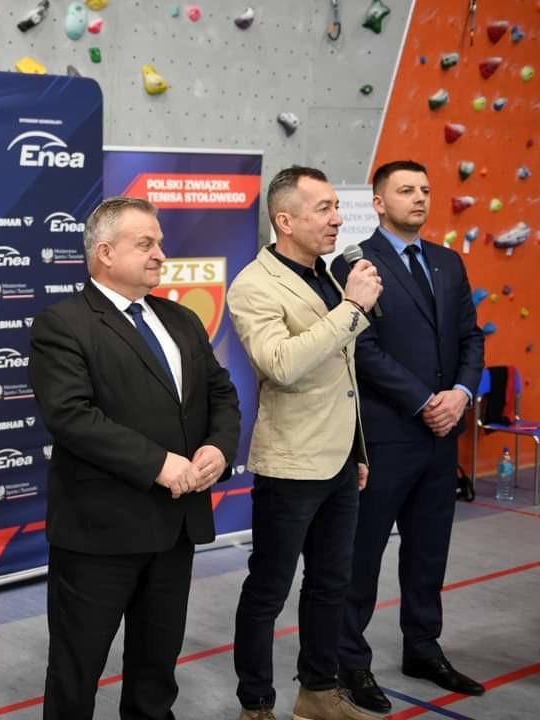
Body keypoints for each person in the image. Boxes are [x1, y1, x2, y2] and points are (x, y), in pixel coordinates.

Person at [28, 196, 241, 719]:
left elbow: (221, 394)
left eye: (159, 243)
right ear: (104, 253)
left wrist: (218, 448)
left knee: (156, 668)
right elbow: (72, 416)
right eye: (145, 244)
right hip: (100, 534)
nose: (160, 254)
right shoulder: (63, 323)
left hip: (175, 528)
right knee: (76, 672)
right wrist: (160, 464)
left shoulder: (182, 319)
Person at [227, 166, 382, 720]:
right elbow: (282, 364)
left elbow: (343, 374)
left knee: (331, 584)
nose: (337, 218)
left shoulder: (328, 275)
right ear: (285, 220)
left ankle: (317, 692)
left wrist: (356, 451)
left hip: (338, 460)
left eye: (337, 206)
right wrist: (353, 309)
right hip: (290, 464)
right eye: (324, 208)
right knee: (268, 590)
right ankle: (256, 704)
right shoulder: (254, 284)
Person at [330, 160, 485, 713]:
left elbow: (470, 337)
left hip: (441, 437)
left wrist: (460, 394)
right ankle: (350, 661)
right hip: (386, 436)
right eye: (405, 190)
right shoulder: (353, 265)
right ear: (378, 202)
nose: (419, 198)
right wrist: (424, 401)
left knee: (428, 553)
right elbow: (361, 348)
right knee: (362, 555)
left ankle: (423, 647)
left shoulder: (447, 261)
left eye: (424, 189)